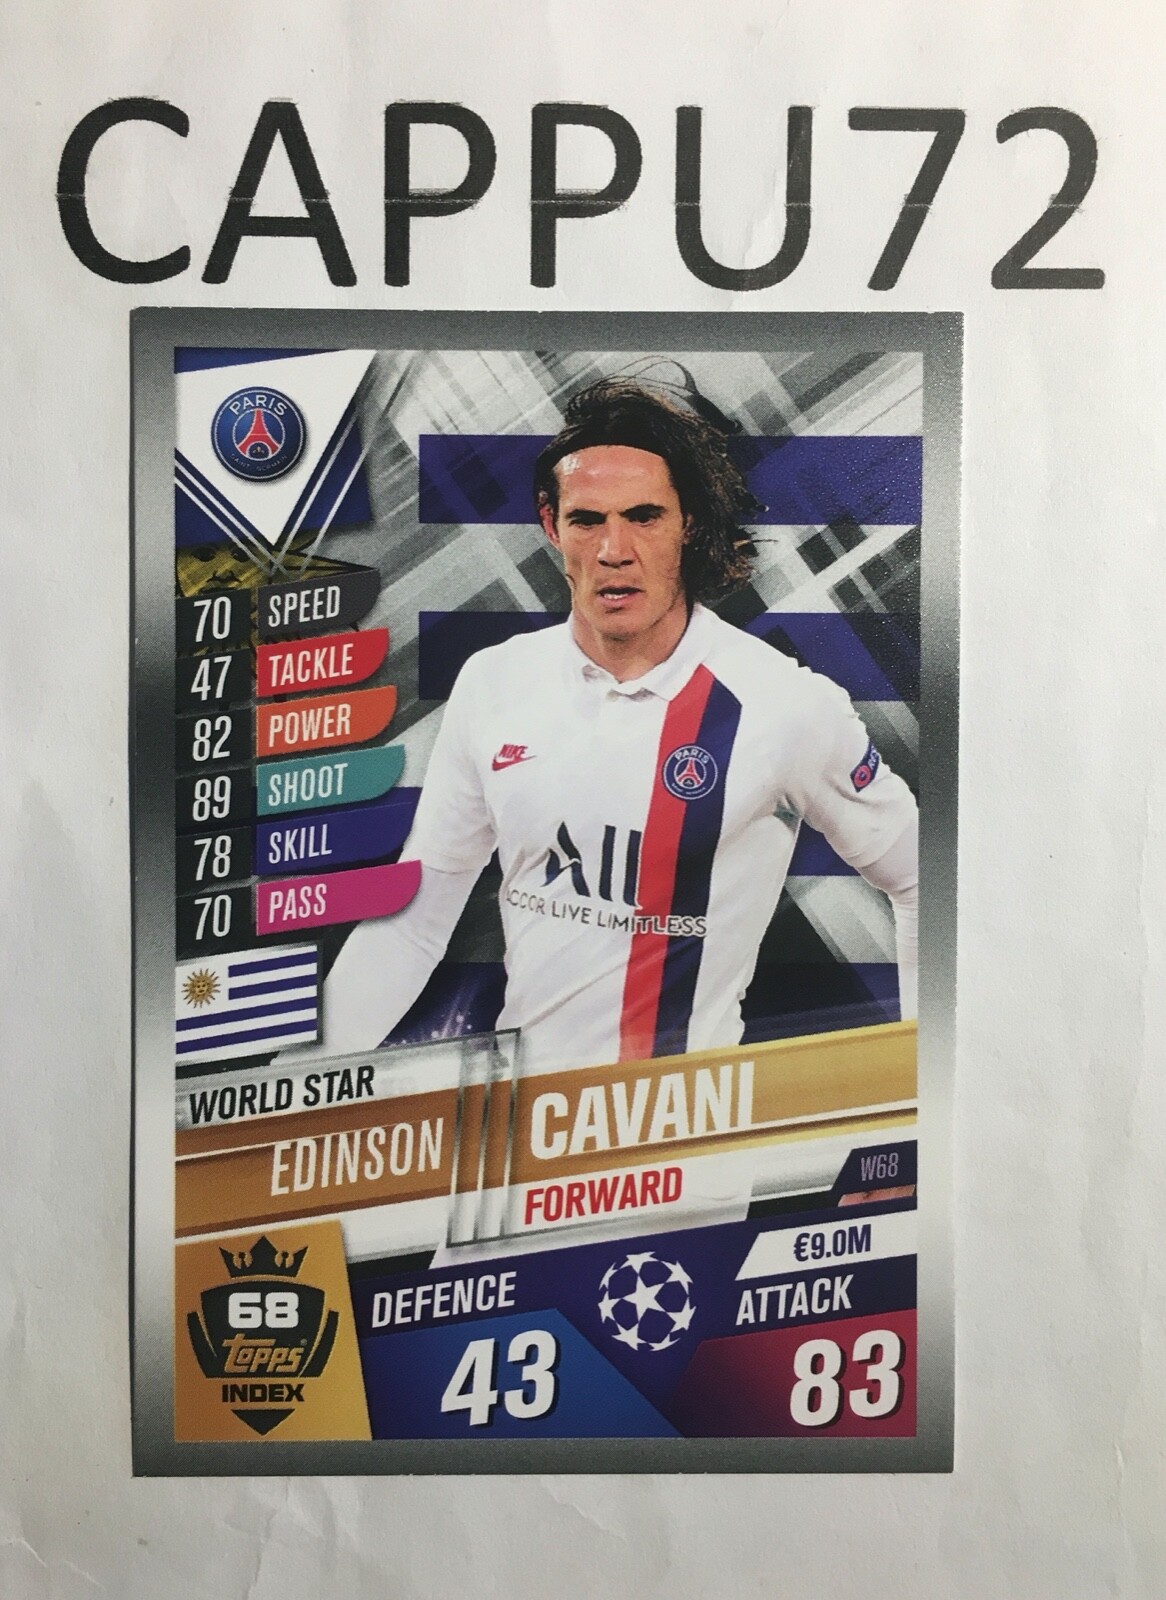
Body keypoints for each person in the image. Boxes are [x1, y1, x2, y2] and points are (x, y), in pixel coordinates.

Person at [309, 378, 918, 1073]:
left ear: (689, 524)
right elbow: (412, 927)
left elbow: (921, 879)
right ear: (551, 525)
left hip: (686, 1131)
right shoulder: (494, 683)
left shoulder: (786, 706)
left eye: (645, 516)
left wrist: (919, 1088)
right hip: (519, 1123)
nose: (614, 550)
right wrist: (294, 1087)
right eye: (587, 520)